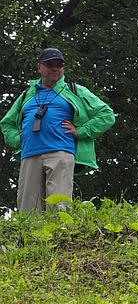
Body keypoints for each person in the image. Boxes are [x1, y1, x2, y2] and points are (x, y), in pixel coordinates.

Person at [1, 47, 116, 213]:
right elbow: (7, 123)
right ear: (40, 67)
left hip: (60, 152)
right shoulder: (27, 95)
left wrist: (81, 131)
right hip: (30, 154)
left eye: (59, 65)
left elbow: (106, 115)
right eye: (50, 64)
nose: (55, 68)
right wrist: (18, 139)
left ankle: (59, 238)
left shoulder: (74, 90)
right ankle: (31, 239)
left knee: (59, 206)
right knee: (28, 208)